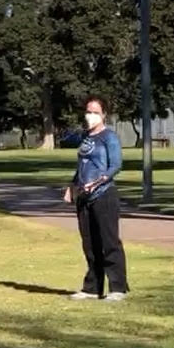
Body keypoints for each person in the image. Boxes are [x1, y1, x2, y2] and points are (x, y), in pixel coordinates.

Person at [64, 98, 127, 301]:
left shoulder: (109, 137)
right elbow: (82, 165)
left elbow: (115, 165)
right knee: (89, 243)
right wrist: (72, 186)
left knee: (109, 242)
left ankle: (117, 288)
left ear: (104, 115)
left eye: (95, 112)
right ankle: (92, 288)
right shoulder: (86, 137)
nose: (90, 115)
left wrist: (98, 182)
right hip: (84, 196)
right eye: (88, 111)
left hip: (104, 195)